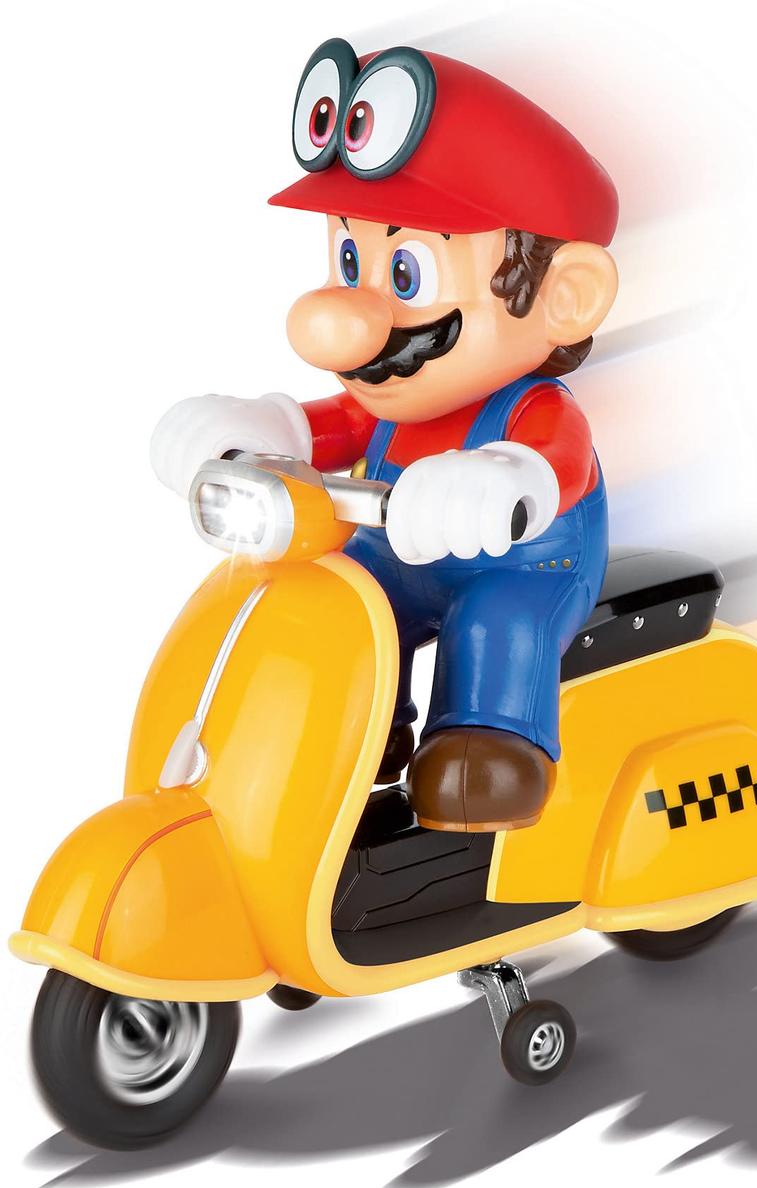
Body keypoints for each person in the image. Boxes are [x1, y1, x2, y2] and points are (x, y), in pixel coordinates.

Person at [151, 40, 619, 833]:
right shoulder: (393, 404)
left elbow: (557, 463)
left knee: (495, 624)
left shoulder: (534, 410)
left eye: (406, 275)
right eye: (349, 259)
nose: (349, 317)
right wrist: (260, 427)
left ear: (563, 296)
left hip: (524, 566)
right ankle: (360, 732)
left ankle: (487, 745)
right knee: (339, 596)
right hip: (395, 554)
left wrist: (503, 477)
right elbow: (333, 425)